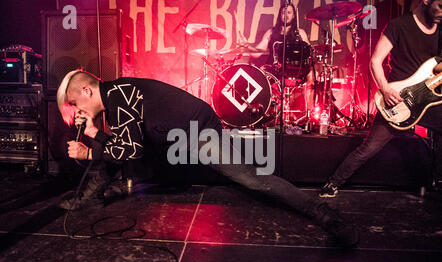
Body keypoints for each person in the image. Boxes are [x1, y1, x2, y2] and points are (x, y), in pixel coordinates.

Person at [56, 69, 359, 247]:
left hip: (198, 131)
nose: (75, 109)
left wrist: (90, 147)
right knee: (138, 161)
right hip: (170, 138)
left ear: (86, 89)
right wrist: (94, 135)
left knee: (250, 178)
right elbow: (129, 146)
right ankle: (97, 195)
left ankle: (323, 214)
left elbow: (128, 150)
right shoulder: (114, 97)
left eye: (74, 102)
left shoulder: (118, 95)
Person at [320, 0, 442, 198]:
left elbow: (436, 67)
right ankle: (333, 183)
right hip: (399, 99)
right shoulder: (399, 25)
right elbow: (375, 61)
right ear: (426, 1)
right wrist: (385, 90)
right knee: (370, 147)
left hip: (428, 100)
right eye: (441, 6)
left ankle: (437, 181)